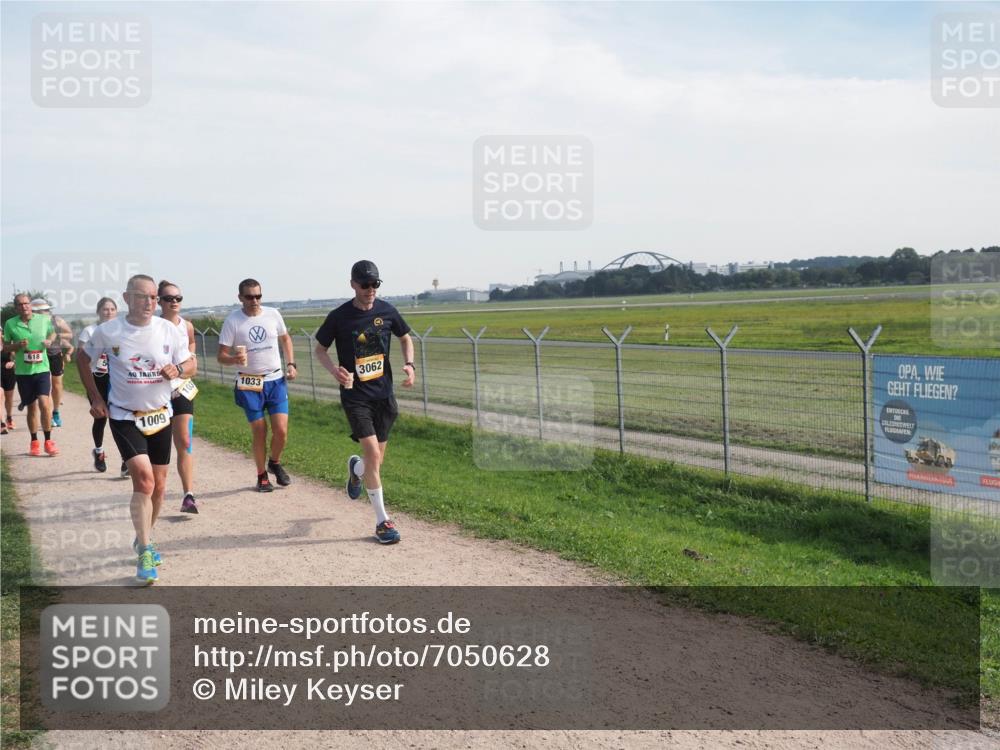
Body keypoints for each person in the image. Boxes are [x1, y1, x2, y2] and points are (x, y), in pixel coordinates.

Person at [77, 274, 196, 585]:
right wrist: (95, 397)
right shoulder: (108, 331)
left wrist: (178, 369)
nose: (149, 302)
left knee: (159, 486)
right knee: (143, 480)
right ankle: (144, 550)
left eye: (154, 297)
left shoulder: (168, 329)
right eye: (143, 296)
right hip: (124, 415)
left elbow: (191, 364)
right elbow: (83, 358)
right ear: (127, 298)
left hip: (161, 415)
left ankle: (145, 535)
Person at [313, 260, 415, 545]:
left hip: (384, 395)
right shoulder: (339, 317)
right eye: (365, 285)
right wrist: (334, 371)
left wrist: (410, 365)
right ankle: (383, 521)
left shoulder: (387, 311)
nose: (370, 290)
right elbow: (320, 350)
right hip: (355, 396)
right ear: (353, 285)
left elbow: (406, 338)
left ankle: (356, 470)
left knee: (374, 461)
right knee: (372, 452)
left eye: (375, 284)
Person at [217, 279, 296, 492]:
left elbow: (286, 339)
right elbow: (221, 356)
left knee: (281, 431)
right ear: (240, 298)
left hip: (275, 380)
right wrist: (234, 359)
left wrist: (291, 364)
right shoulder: (233, 321)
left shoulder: (273, 314)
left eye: (258, 296)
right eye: (249, 296)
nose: (255, 300)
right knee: (260, 431)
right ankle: (262, 476)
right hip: (249, 382)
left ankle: (275, 463)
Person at [157, 280, 199, 513]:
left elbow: (191, 343)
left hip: (182, 388)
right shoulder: (153, 326)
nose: (174, 302)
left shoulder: (187, 325)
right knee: (159, 446)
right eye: (169, 298)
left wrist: (190, 358)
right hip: (156, 392)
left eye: (178, 298)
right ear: (159, 301)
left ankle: (188, 495)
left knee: (184, 441)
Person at [2, 293, 59, 456]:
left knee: (44, 403)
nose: (24, 306)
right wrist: (17, 345)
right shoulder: (10, 324)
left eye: (26, 303)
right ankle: (34, 441)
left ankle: (48, 441)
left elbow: (53, 333)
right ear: (16, 307)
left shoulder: (43, 320)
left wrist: (49, 341)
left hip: (42, 369)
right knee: (32, 407)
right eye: (20, 304)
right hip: (23, 372)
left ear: (30, 305)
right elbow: (5, 347)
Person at [77, 297, 123, 473]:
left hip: (117, 379)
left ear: (116, 312)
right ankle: (99, 451)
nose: (109, 312)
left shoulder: (121, 331)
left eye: (112, 309)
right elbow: (81, 358)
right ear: (98, 312)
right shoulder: (89, 331)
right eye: (105, 309)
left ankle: (127, 459)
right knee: (101, 418)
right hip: (97, 379)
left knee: (120, 418)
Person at [32, 299, 74, 428]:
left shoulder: (56, 320)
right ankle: (48, 414)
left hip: (54, 354)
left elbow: (70, 334)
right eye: (37, 311)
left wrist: (56, 335)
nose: (41, 313)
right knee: (46, 385)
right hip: (39, 355)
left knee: (56, 385)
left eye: (44, 310)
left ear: (48, 310)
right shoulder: (30, 321)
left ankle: (56, 412)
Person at [1, 350, 15, 435]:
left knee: (9, 397)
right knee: (0, 395)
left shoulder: (8, 343)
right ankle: (2, 423)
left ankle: (9, 418)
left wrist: (14, 361)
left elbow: (17, 355)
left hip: (8, 372)